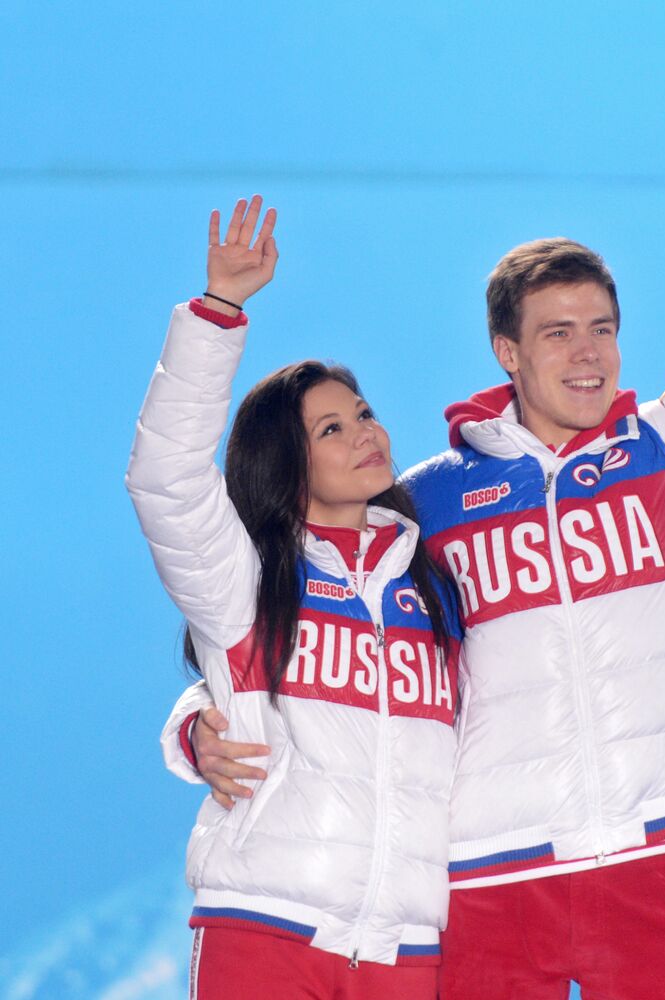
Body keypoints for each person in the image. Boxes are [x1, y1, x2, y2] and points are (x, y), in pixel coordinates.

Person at [171, 10, 665, 997]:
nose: (585, 352)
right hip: (487, 882)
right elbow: (298, 616)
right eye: (556, 332)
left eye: (601, 328)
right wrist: (199, 719)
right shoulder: (425, 503)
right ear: (507, 352)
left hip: (646, 864)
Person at [128, 196, 461, 998]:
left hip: (402, 947)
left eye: (365, 414)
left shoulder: (434, 585)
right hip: (264, 926)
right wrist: (220, 311)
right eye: (331, 430)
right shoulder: (245, 580)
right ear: (284, 460)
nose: (365, 434)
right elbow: (164, 480)